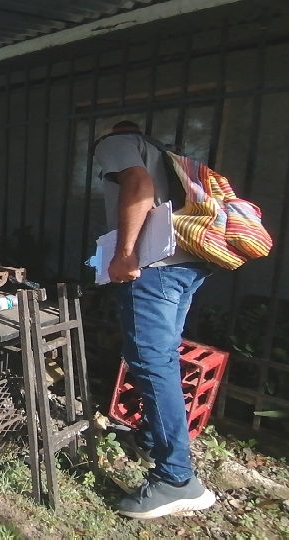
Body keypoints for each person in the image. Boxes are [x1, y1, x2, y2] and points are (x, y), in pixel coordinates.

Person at [94, 120, 216, 519]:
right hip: (188, 263)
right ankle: (151, 437)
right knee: (161, 357)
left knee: (150, 361)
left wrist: (125, 253)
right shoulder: (162, 150)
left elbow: (137, 186)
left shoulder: (116, 142)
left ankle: (176, 479)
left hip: (155, 266)